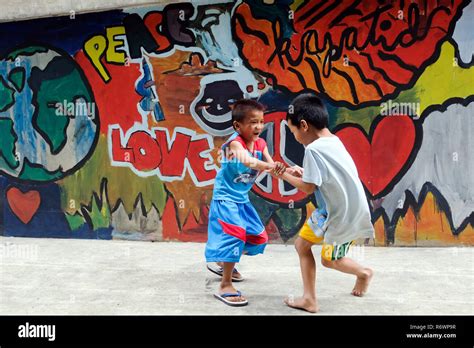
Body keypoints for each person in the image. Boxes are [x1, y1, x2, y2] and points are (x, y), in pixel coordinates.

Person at [278, 93, 375, 313]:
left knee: (330, 260)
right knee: (302, 245)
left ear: (303, 125)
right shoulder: (333, 141)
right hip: (330, 211)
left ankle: (363, 273)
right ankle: (309, 299)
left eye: (292, 131)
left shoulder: (312, 149)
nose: (294, 137)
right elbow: (323, 178)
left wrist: (283, 174)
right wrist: (302, 172)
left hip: (343, 216)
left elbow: (308, 188)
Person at [205, 99, 285, 307]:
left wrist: (289, 171)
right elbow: (248, 161)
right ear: (237, 126)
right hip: (225, 198)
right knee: (235, 235)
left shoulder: (261, 144)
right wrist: (271, 166)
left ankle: (224, 262)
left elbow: (271, 166)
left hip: (242, 199)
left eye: (261, 122)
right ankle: (225, 285)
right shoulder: (235, 143)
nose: (258, 126)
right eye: (252, 122)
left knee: (258, 238)